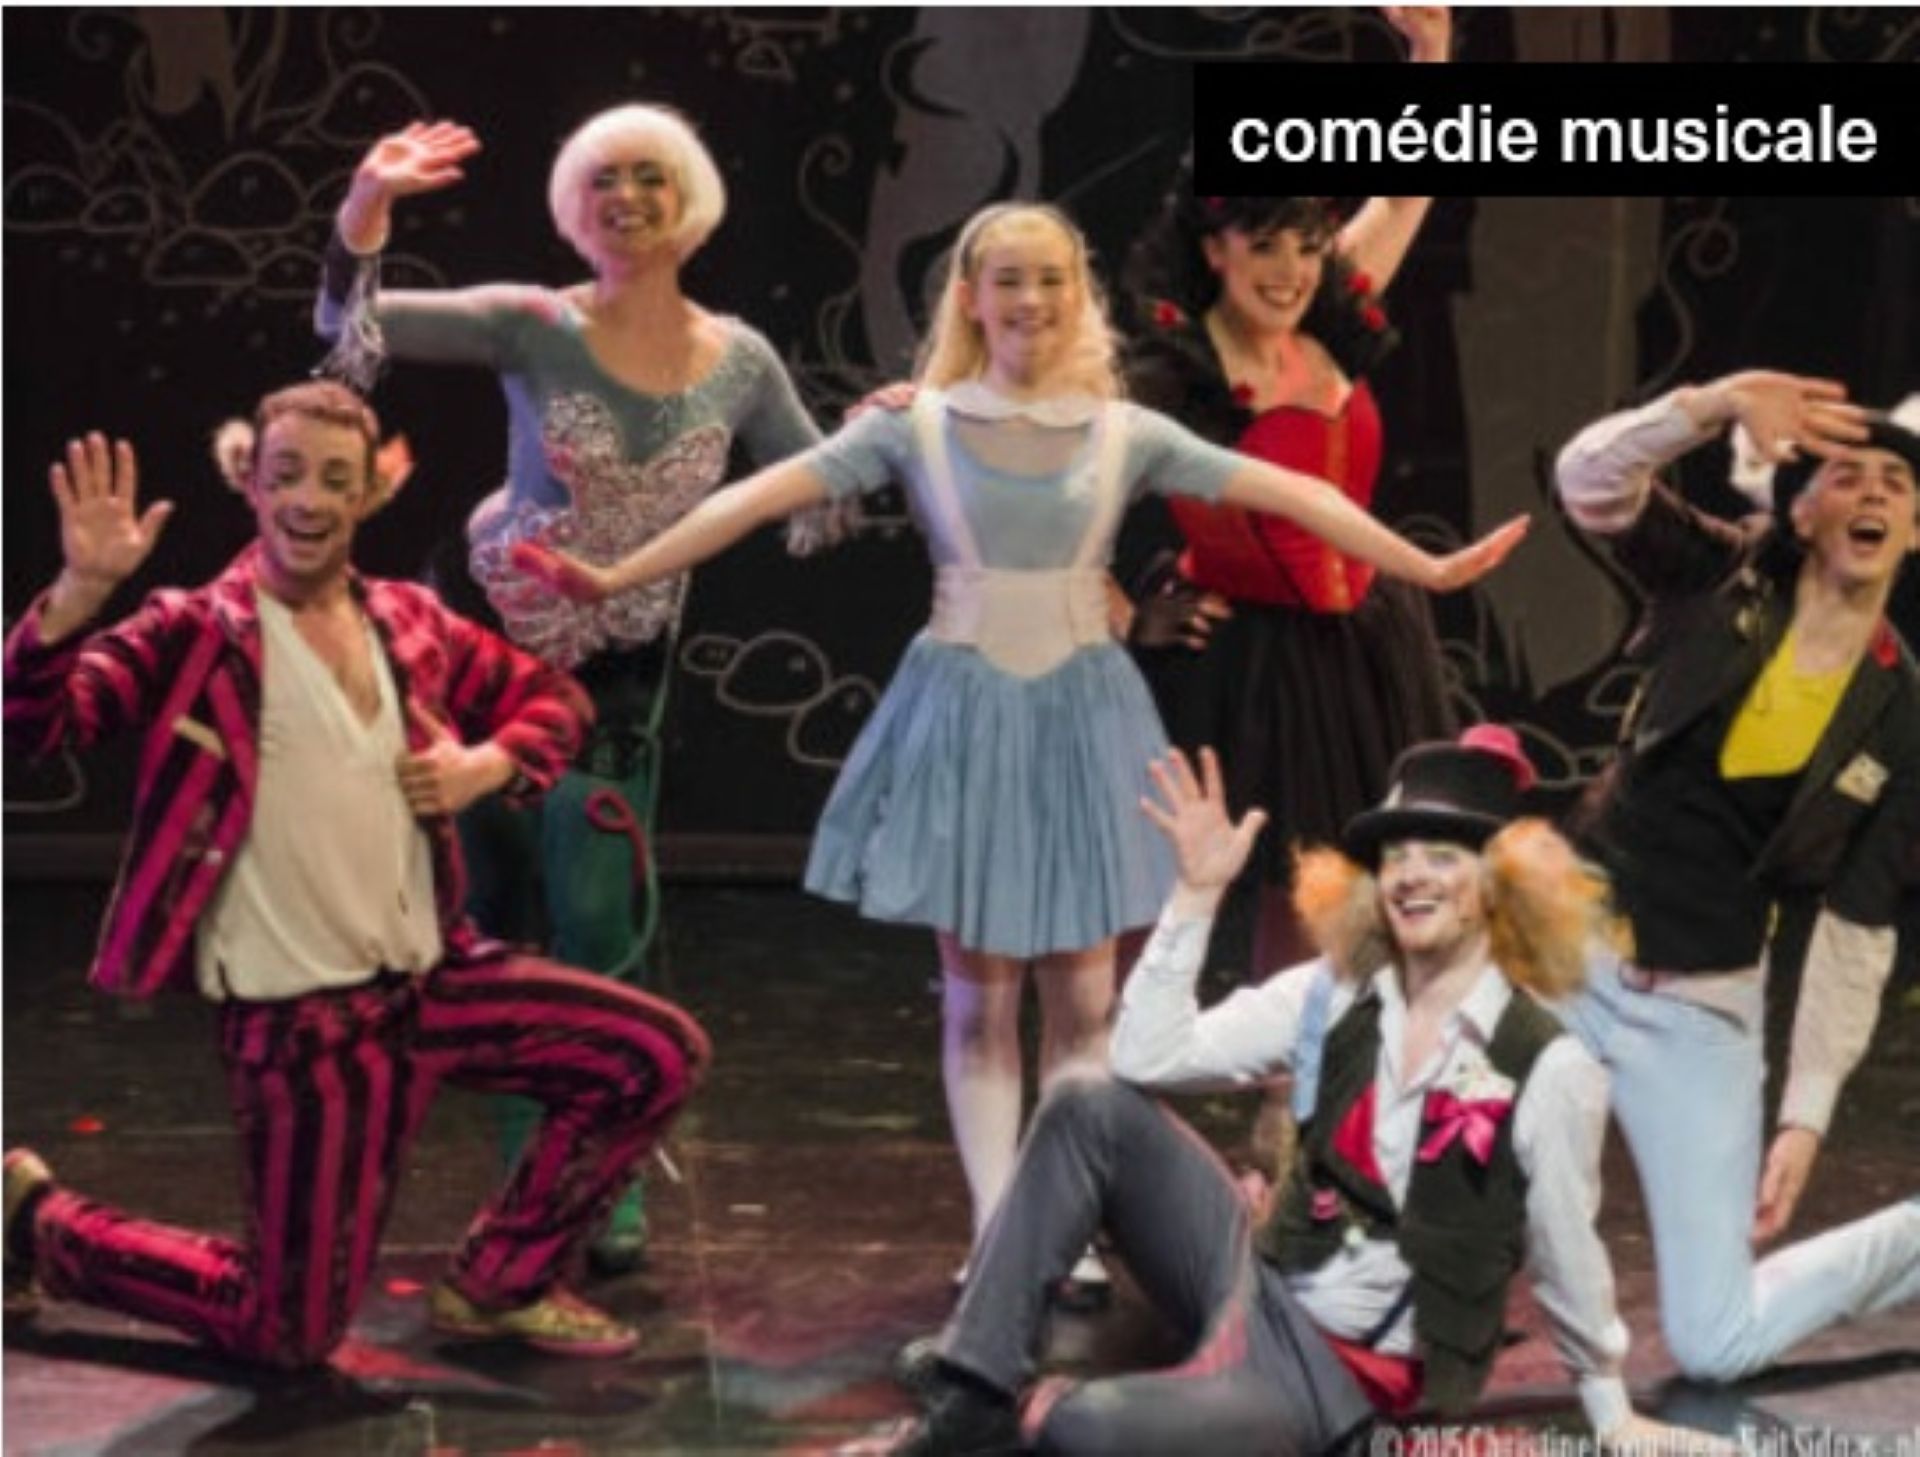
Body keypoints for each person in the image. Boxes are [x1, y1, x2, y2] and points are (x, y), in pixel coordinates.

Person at [512, 202, 1528, 1285]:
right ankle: (1001, 1230)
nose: (1030, 299)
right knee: (980, 1001)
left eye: (1049, 278)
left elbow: (1293, 492)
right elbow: (757, 498)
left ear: (1077, 295)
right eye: (1007, 278)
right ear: (970, 296)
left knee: (1085, 1010)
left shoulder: (1123, 430)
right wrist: (618, 575)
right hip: (966, 721)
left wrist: (1427, 569)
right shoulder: (918, 425)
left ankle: (1061, 1220)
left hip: (1085, 721)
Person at [1, 381, 710, 1366]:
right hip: (305, 1028)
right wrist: (77, 597)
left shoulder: (410, 621)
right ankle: (37, 1222)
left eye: (336, 479)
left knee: (652, 1054)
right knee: (286, 1331)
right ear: (250, 482)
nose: (308, 498)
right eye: (286, 474)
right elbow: (37, 722)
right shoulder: (197, 630)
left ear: (367, 495)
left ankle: (498, 1283)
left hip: (433, 980)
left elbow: (552, 697)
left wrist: (486, 765)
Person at [850, 732, 1692, 1456]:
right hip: (1253, 1271)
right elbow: (1148, 1056)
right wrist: (1196, 893)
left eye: (1444, 856)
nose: (1412, 876)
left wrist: (1610, 1408)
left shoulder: (1546, 1064)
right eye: (1396, 856)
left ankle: (1070, 1409)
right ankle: (974, 1390)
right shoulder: (1333, 990)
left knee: (1082, 1429)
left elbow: (1565, 1242)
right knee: (1087, 1098)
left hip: (1329, 1372)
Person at [318, 108, 823, 1268]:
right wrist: (367, 202)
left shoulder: (742, 360)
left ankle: (596, 1168)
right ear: (573, 207)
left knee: (601, 920)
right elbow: (350, 325)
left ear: (688, 201)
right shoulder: (532, 322)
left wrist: (905, 422)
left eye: (650, 177)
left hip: (623, 666)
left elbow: (818, 476)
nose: (627, 197)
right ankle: (521, 1178)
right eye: (603, 180)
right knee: (497, 917)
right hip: (491, 648)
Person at [1553, 371, 1920, 1381]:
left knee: (1716, 1341)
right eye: (1847, 475)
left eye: (1897, 483)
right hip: (1565, 958)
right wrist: (1715, 402)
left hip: (1703, 1005)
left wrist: (1806, 1114)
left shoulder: (1902, 713)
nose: (1874, 494)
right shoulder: (1720, 576)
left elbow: (1856, 925)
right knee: (1445, 1156)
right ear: (1801, 511)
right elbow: (1587, 483)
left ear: (1917, 530)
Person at [1122, 4, 1456, 980]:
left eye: (1307, 244)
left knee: (1316, 892)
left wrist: (1431, 53)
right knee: (1166, 893)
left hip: (1353, 648)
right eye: (1264, 244)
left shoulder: (1330, 317)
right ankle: (1129, 1061)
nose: (1291, 270)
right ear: (1214, 248)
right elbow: (1045, 471)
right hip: (1230, 651)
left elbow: (1406, 190)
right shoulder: (1171, 371)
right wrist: (1120, 613)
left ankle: (1287, 1067)